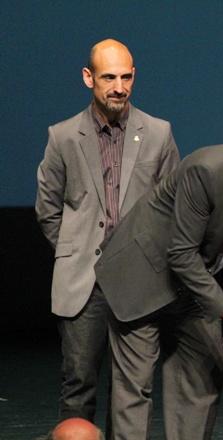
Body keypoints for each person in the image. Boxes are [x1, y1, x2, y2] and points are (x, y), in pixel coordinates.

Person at [93, 136, 223, 439]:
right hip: (142, 276)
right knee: (134, 386)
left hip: (198, 285)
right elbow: (182, 254)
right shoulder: (207, 170)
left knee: (203, 372)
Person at [35, 39, 180, 425]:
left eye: (126, 77)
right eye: (109, 77)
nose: (119, 87)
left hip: (138, 281)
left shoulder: (158, 132)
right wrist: (76, 250)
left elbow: (172, 205)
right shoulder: (63, 136)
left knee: (133, 389)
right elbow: (48, 209)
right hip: (85, 282)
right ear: (89, 78)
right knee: (78, 384)